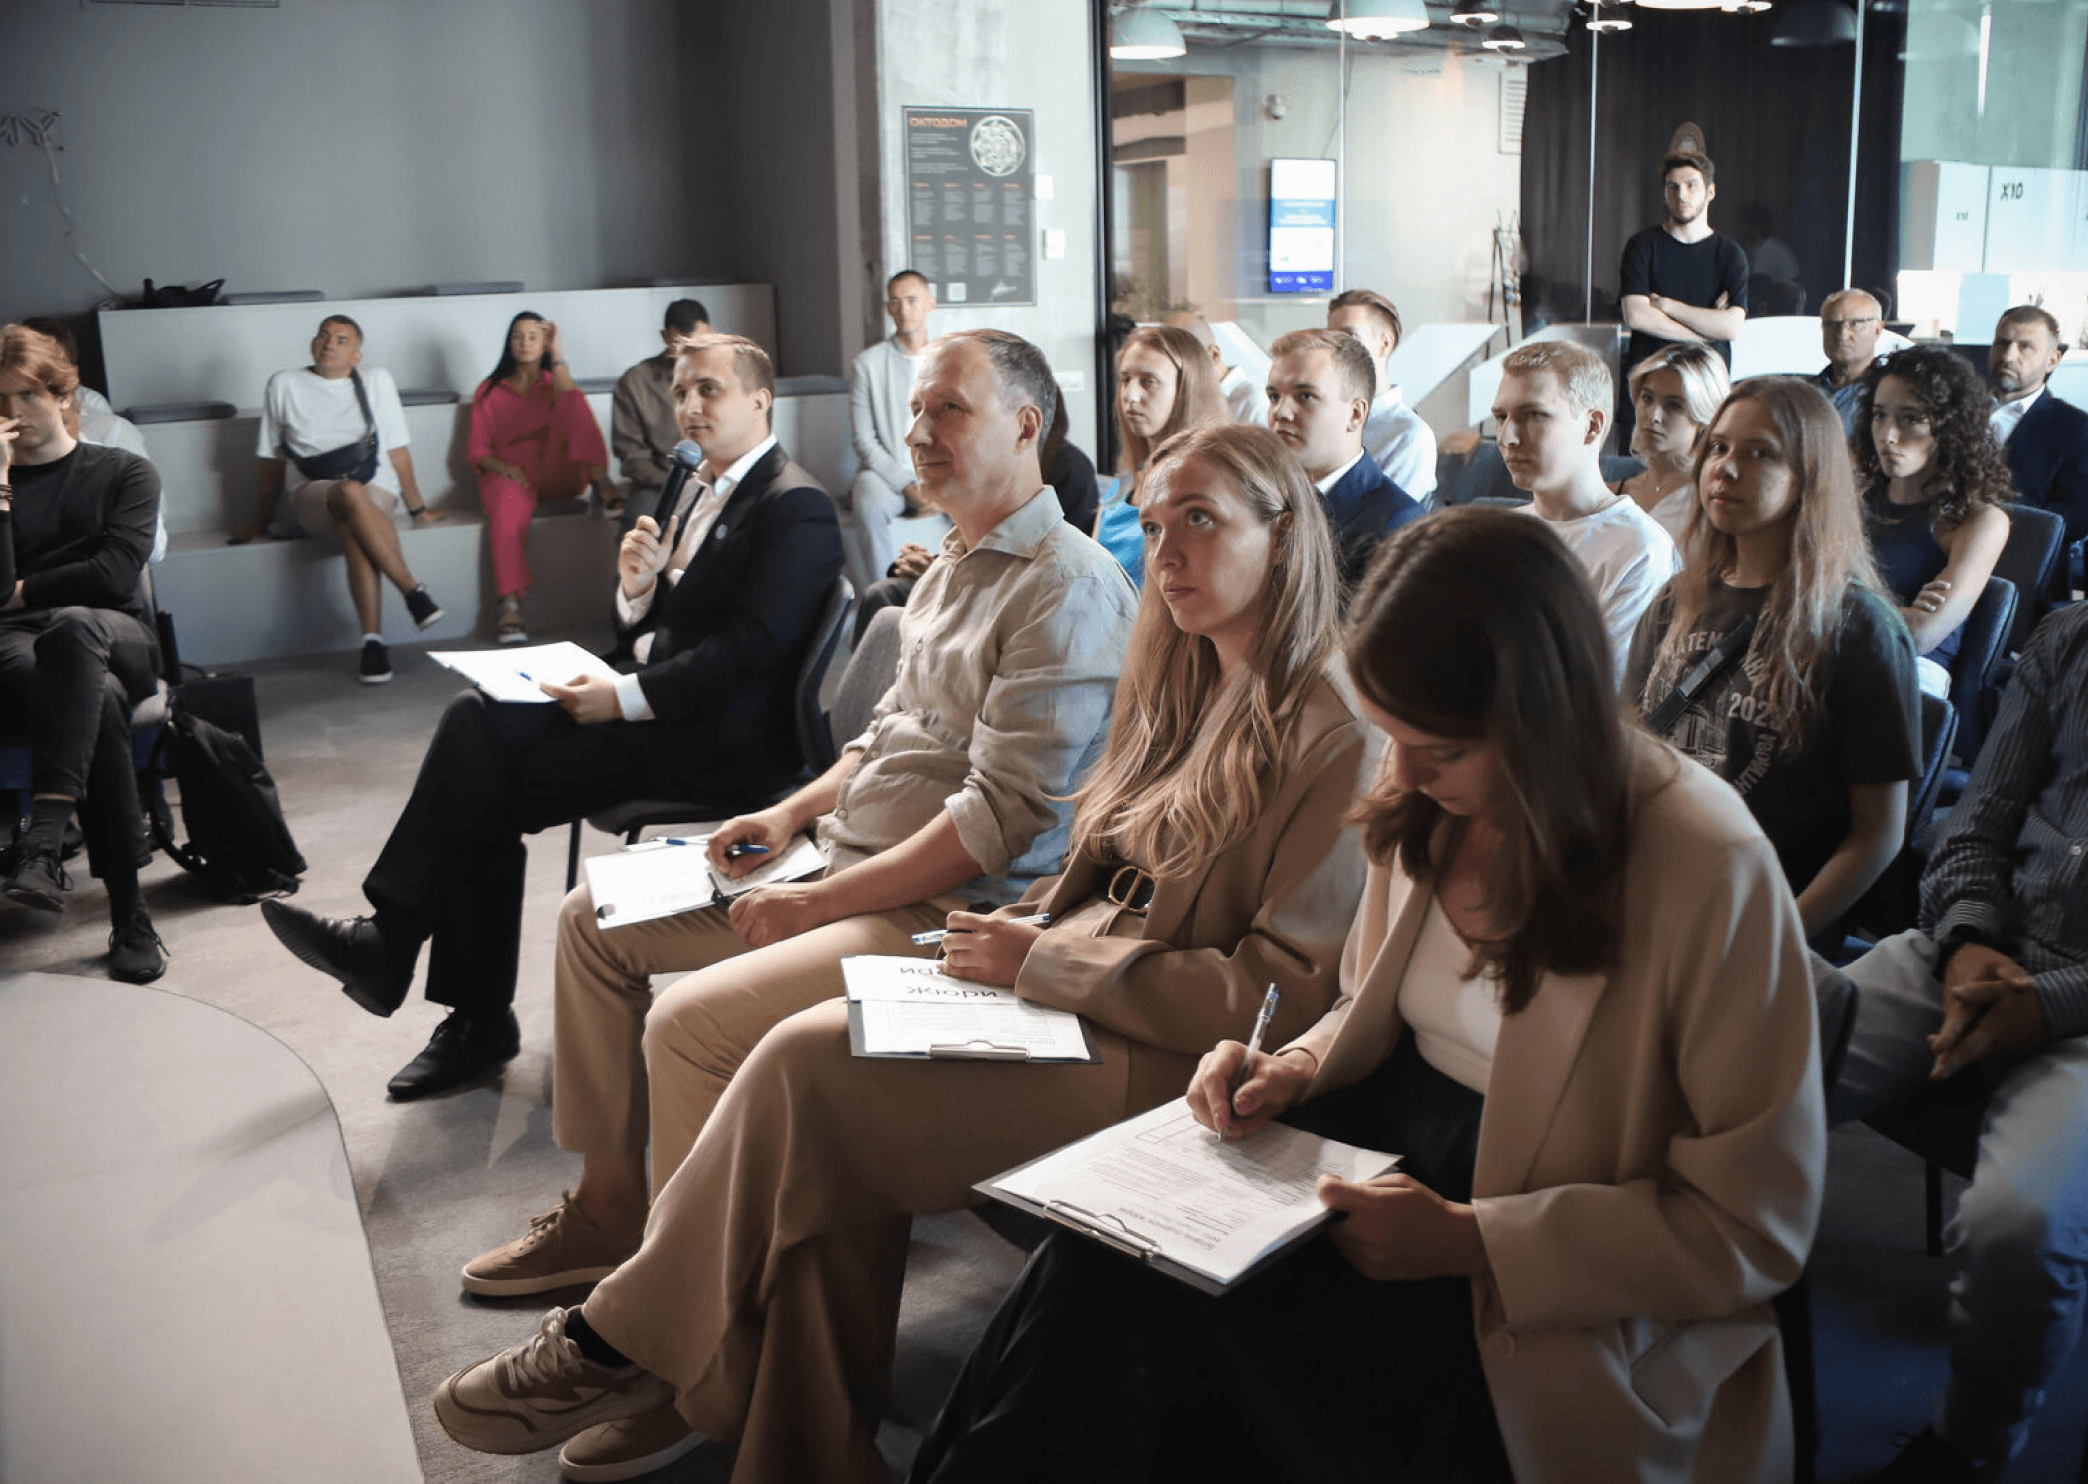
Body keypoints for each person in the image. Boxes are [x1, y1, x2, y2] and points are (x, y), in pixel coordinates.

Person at [432, 421, 1371, 1484]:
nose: (1167, 553)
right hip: (1066, 986)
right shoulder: (1191, 673)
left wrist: (1039, 963)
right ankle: (798, 1449)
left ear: (1284, 533)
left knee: (809, 1065)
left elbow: (1279, 998)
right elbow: (1081, 866)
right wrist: (1027, 940)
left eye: (1200, 520)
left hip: (1173, 1066)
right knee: (827, 1108)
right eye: (1154, 526)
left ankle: (622, 1340)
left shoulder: (1333, 723)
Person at [910, 505, 1825, 1484]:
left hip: (1548, 1249)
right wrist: (1289, 1065)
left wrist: (1477, 1241)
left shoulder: (1705, 861)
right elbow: (1367, 1004)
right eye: (1394, 736)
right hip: (1380, 1159)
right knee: (1100, 1262)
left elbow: (1751, 1225)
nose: (1408, 774)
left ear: (1543, 718)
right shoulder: (1429, 790)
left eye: (1443, 750)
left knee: (1187, 1366)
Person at [449, 328, 1138, 1298]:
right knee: (590, 918)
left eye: (950, 409)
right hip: (840, 856)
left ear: (1027, 427)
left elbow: (1000, 820)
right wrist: (788, 814)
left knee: (687, 1024)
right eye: (916, 409)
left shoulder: (1065, 584)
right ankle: (609, 1210)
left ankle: (683, 1303)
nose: (919, 432)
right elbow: (886, 734)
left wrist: (816, 901)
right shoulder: (952, 563)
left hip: (948, 910)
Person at [258, 335, 842, 1100]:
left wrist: (621, 697)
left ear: (760, 400)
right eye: (680, 393)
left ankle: (423, 975)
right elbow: (662, 627)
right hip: (666, 710)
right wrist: (636, 590)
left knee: (481, 767)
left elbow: (753, 652)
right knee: (478, 730)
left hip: (723, 746)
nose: (689, 407)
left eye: (710, 390)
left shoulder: (795, 504)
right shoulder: (697, 487)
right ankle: (425, 977)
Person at [1828, 602, 2088, 1484]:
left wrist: (2049, 1005)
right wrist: (1970, 935)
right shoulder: (2070, 639)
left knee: (2021, 1225)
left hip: (2081, 1018)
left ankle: (1967, 1446)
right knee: (1742, 1073)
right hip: (1972, 955)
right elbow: (1979, 819)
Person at [1625, 376, 1919, 943]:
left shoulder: (1859, 629)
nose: (1726, 468)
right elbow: (1629, 755)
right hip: (1654, 895)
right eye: (1718, 447)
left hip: (1763, 918)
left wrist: (1776, 936)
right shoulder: (1675, 601)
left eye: (1760, 453)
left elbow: (1878, 835)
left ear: (1809, 477)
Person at [0, 324, 168, 983]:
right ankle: (131, 916)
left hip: (115, 633)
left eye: (26, 396)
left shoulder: (125, 472)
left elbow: (114, 575)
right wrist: (0, 488)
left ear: (63, 396)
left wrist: (22, 590)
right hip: (21, 647)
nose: (12, 413)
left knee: (75, 628)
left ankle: (43, 837)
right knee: (95, 698)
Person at [243, 316, 446, 684]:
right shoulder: (283, 383)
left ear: (357, 354)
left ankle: (373, 644)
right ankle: (412, 591)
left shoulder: (376, 380)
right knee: (351, 493)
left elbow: (397, 450)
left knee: (355, 517)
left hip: (376, 486)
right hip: (313, 493)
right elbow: (271, 460)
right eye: (323, 335)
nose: (329, 344)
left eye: (341, 339)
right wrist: (260, 520)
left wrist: (418, 508)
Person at [1491, 340, 1679, 686]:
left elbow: (1602, 691)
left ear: (1592, 426)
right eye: (1501, 417)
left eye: (1533, 415)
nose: (1508, 437)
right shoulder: (1500, 533)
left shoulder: (1639, 548)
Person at [850, 384, 1100, 643]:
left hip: (1016, 597)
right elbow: (975, 545)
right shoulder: (996, 465)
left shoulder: (1071, 469)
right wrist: (928, 563)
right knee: (882, 595)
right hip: (972, 579)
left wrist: (945, 572)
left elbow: (1053, 569)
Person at [1852, 346, 2012, 699]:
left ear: (1949, 427)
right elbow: (1791, 598)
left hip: (1913, 677)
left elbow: (1922, 634)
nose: (1888, 435)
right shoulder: (1854, 498)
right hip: (1834, 656)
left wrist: (1833, 602)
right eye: (1879, 415)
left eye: (1910, 419)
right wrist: (1897, 612)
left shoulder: (1980, 520)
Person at [469, 311, 613, 644]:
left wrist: (557, 353)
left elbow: (573, 412)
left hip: (556, 470)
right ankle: (509, 607)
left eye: (533, 336)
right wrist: (503, 467)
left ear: (544, 342)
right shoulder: (490, 390)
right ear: (509, 342)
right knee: (505, 504)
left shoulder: (554, 382)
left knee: (573, 401)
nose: (525, 343)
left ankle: (600, 481)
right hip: (512, 476)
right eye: (518, 336)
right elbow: (477, 450)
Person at [1265, 327, 1423, 592]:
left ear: (1355, 414)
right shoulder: (1261, 499)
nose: (1280, 412)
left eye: (1305, 396)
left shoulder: (1395, 523)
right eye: (1274, 397)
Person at [1619, 151, 1749, 448]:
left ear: (1710, 191)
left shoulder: (1730, 255)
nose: (1681, 195)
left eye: (1691, 185)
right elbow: (1637, 315)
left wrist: (1669, 306)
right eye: (1673, 186)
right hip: (1648, 390)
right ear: (1664, 193)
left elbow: (1731, 327)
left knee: (1703, 468)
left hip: (1705, 394)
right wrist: (1704, 333)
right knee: (1640, 470)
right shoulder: (1642, 246)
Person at [1092, 324, 1228, 587]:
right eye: (1125, 380)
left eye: (1148, 381)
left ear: (1187, 388)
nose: (1130, 395)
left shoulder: (1212, 483)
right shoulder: (1125, 481)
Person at [841, 270, 936, 594]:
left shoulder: (950, 359)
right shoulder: (868, 364)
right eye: (895, 302)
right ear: (887, 308)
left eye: (912, 300)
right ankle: (883, 595)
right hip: (886, 474)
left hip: (938, 468)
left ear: (931, 303)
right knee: (868, 501)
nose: (904, 309)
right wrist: (909, 488)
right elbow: (864, 440)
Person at [1988, 304, 2088, 596]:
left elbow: (2076, 519)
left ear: (2052, 360)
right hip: (1939, 564)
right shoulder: (1957, 412)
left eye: (2025, 347)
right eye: (2002, 343)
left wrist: (1990, 508)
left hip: (2024, 580)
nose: (2008, 356)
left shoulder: (2076, 429)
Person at [1327, 288, 1438, 504]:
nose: (1334, 349)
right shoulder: (1326, 419)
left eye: (1349, 337)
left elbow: (1389, 520)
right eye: (1331, 339)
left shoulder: (1410, 436)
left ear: (1384, 344)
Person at [610, 297, 710, 533]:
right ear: (665, 337)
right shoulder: (636, 382)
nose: (690, 352)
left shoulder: (726, 377)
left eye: (698, 343)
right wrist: (676, 484)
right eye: (681, 343)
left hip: (715, 478)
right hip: (659, 484)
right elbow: (633, 457)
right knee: (641, 518)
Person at [1615, 340, 1730, 544]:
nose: (1654, 416)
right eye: (1647, 398)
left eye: (1674, 406)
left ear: (1704, 416)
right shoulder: (1614, 491)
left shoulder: (1715, 501)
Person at [1165, 309, 1268, 426]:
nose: (1174, 370)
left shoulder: (1254, 403)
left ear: (1214, 355)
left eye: (1182, 359)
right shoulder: (1181, 401)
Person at [1816, 289, 1886, 434]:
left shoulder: (1890, 393)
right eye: (1832, 325)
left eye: (1855, 324)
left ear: (1877, 330)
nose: (1842, 335)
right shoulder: (1804, 393)